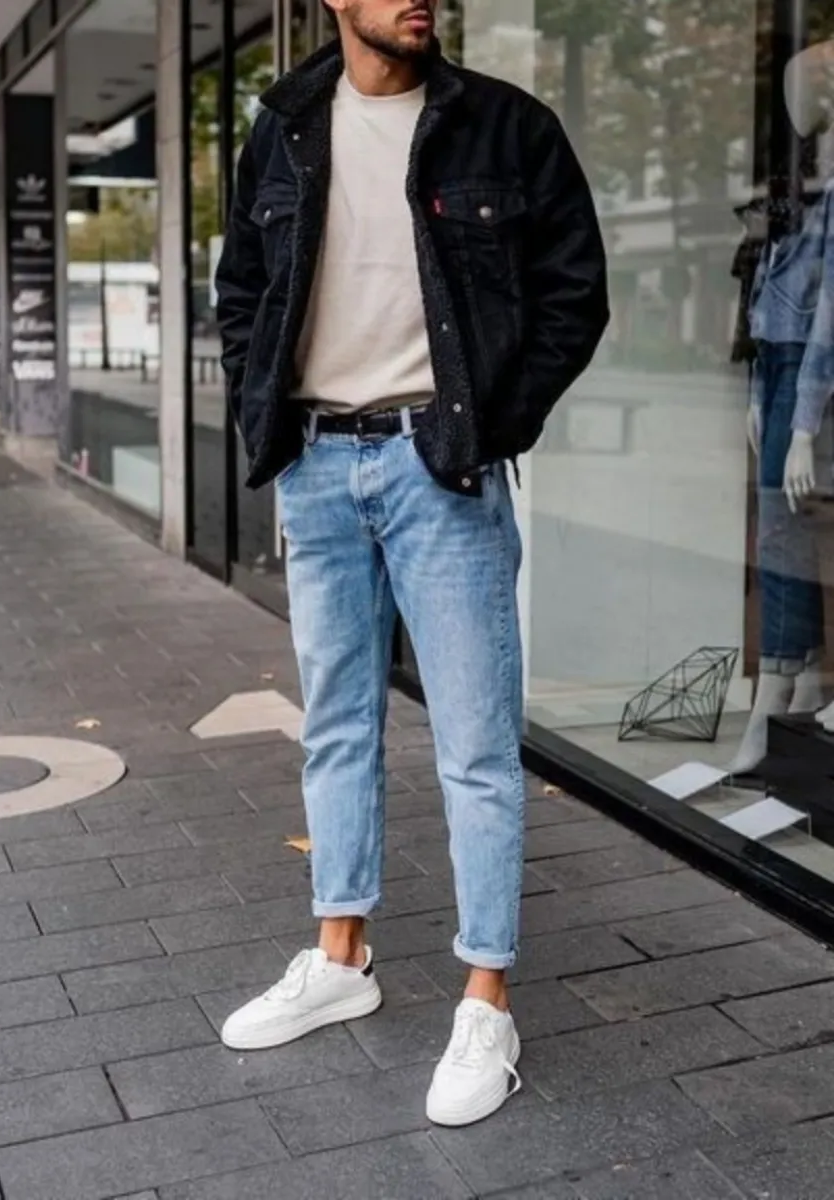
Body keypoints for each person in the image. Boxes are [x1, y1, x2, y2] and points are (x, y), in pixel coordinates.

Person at [215, 0, 608, 1127]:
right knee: (338, 719)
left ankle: (487, 994)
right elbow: (243, 289)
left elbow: (574, 295)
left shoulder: (504, 128)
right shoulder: (284, 124)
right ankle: (341, 953)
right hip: (318, 463)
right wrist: (267, 421)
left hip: (442, 470)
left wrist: (487, 428)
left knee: (475, 745)